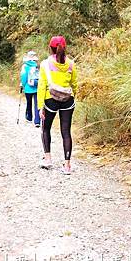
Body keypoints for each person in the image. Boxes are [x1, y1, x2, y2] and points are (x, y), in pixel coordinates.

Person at [37, 36, 78, 174]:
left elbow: (42, 85)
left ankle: (48, 159)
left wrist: (40, 106)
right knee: (66, 132)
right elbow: (74, 84)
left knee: (45, 128)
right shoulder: (71, 64)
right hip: (68, 99)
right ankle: (67, 166)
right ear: (64, 47)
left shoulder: (45, 64)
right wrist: (74, 96)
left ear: (51, 48)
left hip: (50, 100)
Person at [20, 51, 41, 127]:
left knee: (29, 102)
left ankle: (29, 118)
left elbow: (23, 77)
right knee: (37, 104)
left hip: (28, 88)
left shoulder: (25, 66)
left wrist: (23, 85)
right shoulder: (38, 65)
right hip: (37, 86)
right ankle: (37, 121)